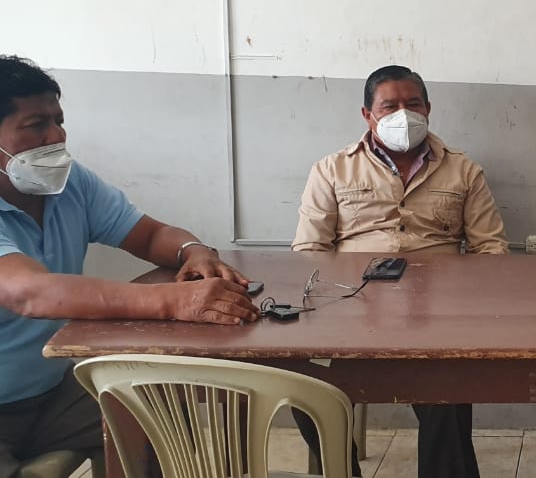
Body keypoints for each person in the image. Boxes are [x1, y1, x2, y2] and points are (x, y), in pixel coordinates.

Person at [0, 55, 258, 478]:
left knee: (160, 418)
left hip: (52, 392)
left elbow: (151, 235)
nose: (57, 135)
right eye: (36, 125)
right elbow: (29, 292)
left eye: (59, 120)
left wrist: (195, 251)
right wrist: (175, 301)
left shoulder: (70, 184)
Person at [292, 65, 507, 478]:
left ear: (428, 109)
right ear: (367, 115)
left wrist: (465, 309)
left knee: (447, 391)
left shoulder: (464, 171)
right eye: (389, 107)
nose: (403, 115)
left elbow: (491, 251)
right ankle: (342, 469)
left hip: (437, 318)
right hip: (350, 313)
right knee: (305, 387)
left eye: (413, 104)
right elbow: (308, 251)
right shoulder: (332, 170)